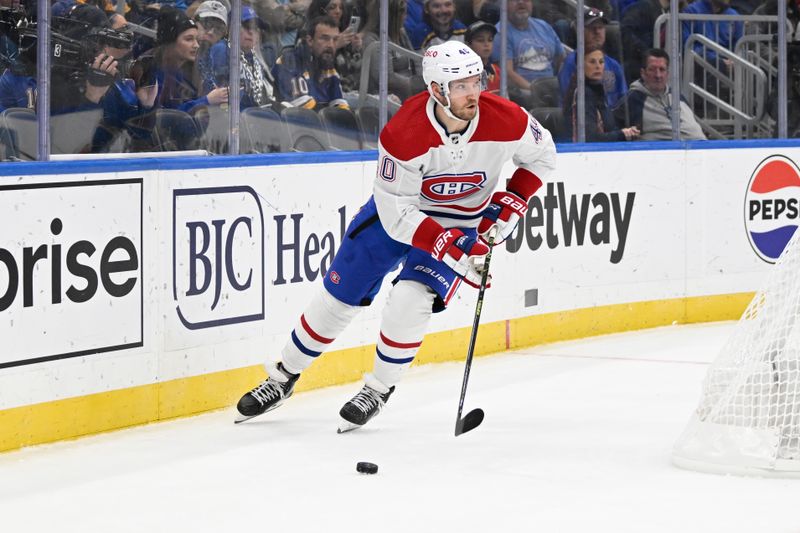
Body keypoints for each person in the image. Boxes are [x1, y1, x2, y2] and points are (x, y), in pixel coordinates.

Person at [235, 40, 557, 432]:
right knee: (338, 296)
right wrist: (451, 248)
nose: (473, 91)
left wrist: (512, 200)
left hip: (461, 224)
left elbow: (543, 155)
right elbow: (397, 213)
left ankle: (378, 388)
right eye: (460, 85)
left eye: (476, 80)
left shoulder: (507, 118)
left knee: (410, 300)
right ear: (437, 90)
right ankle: (283, 377)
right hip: (398, 219)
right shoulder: (404, 131)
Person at [613, 48, 706, 140]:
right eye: (652, 69)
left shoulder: (678, 97)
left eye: (662, 69)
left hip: (701, 151)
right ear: (643, 73)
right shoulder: (632, 100)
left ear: (668, 73)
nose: (658, 75)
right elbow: (613, 130)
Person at [491, 0, 566, 107]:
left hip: (551, 88)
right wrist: (536, 90)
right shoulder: (500, 32)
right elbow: (507, 73)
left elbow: (561, 59)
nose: (521, 2)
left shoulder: (544, 26)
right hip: (524, 92)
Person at [563, 45, 639, 141]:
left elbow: (609, 128)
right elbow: (590, 139)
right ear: (580, 65)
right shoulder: (583, 94)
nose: (598, 66)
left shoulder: (598, 91)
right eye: (592, 62)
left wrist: (626, 132)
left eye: (601, 62)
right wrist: (622, 134)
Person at [272, 15, 348, 109]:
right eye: (325, 38)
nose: (331, 45)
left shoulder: (328, 67)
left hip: (321, 120)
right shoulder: (289, 62)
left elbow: (340, 105)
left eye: (335, 40)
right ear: (310, 40)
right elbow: (304, 109)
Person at [208, 6, 277, 108]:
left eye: (255, 28)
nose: (251, 32)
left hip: (252, 117)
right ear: (231, 28)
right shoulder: (221, 50)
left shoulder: (256, 59)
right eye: (246, 26)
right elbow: (223, 95)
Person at [557, 8, 627, 108]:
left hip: (612, 119)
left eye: (601, 27)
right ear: (579, 30)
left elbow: (624, 102)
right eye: (591, 27)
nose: (597, 31)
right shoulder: (571, 63)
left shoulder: (614, 65)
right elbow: (568, 103)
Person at [361, 0, 426, 102]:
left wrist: (424, 79)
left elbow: (415, 59)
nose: (406, 18)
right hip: (386, 98)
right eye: (404, 13)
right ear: (393, 16)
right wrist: (414, 85)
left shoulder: (401, 33)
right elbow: (386, 78)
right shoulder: (372, 39)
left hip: (410, 93)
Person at [620, 0, 670, 84]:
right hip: (637, 71)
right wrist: (646, 52)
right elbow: (626, 31)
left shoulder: (671, 12)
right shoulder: (642, 8)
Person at [193, 0, 228, 93]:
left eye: (218, 29)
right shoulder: (180, 54)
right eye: (206, 24)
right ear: (193, 23)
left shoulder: (222, 55)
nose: (211, 32)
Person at [465, 20, 501, 94]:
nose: (486, 44)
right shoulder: (464, 74)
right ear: (468, 45)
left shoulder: (497, 71)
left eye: (490, 40)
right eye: (480, 40)